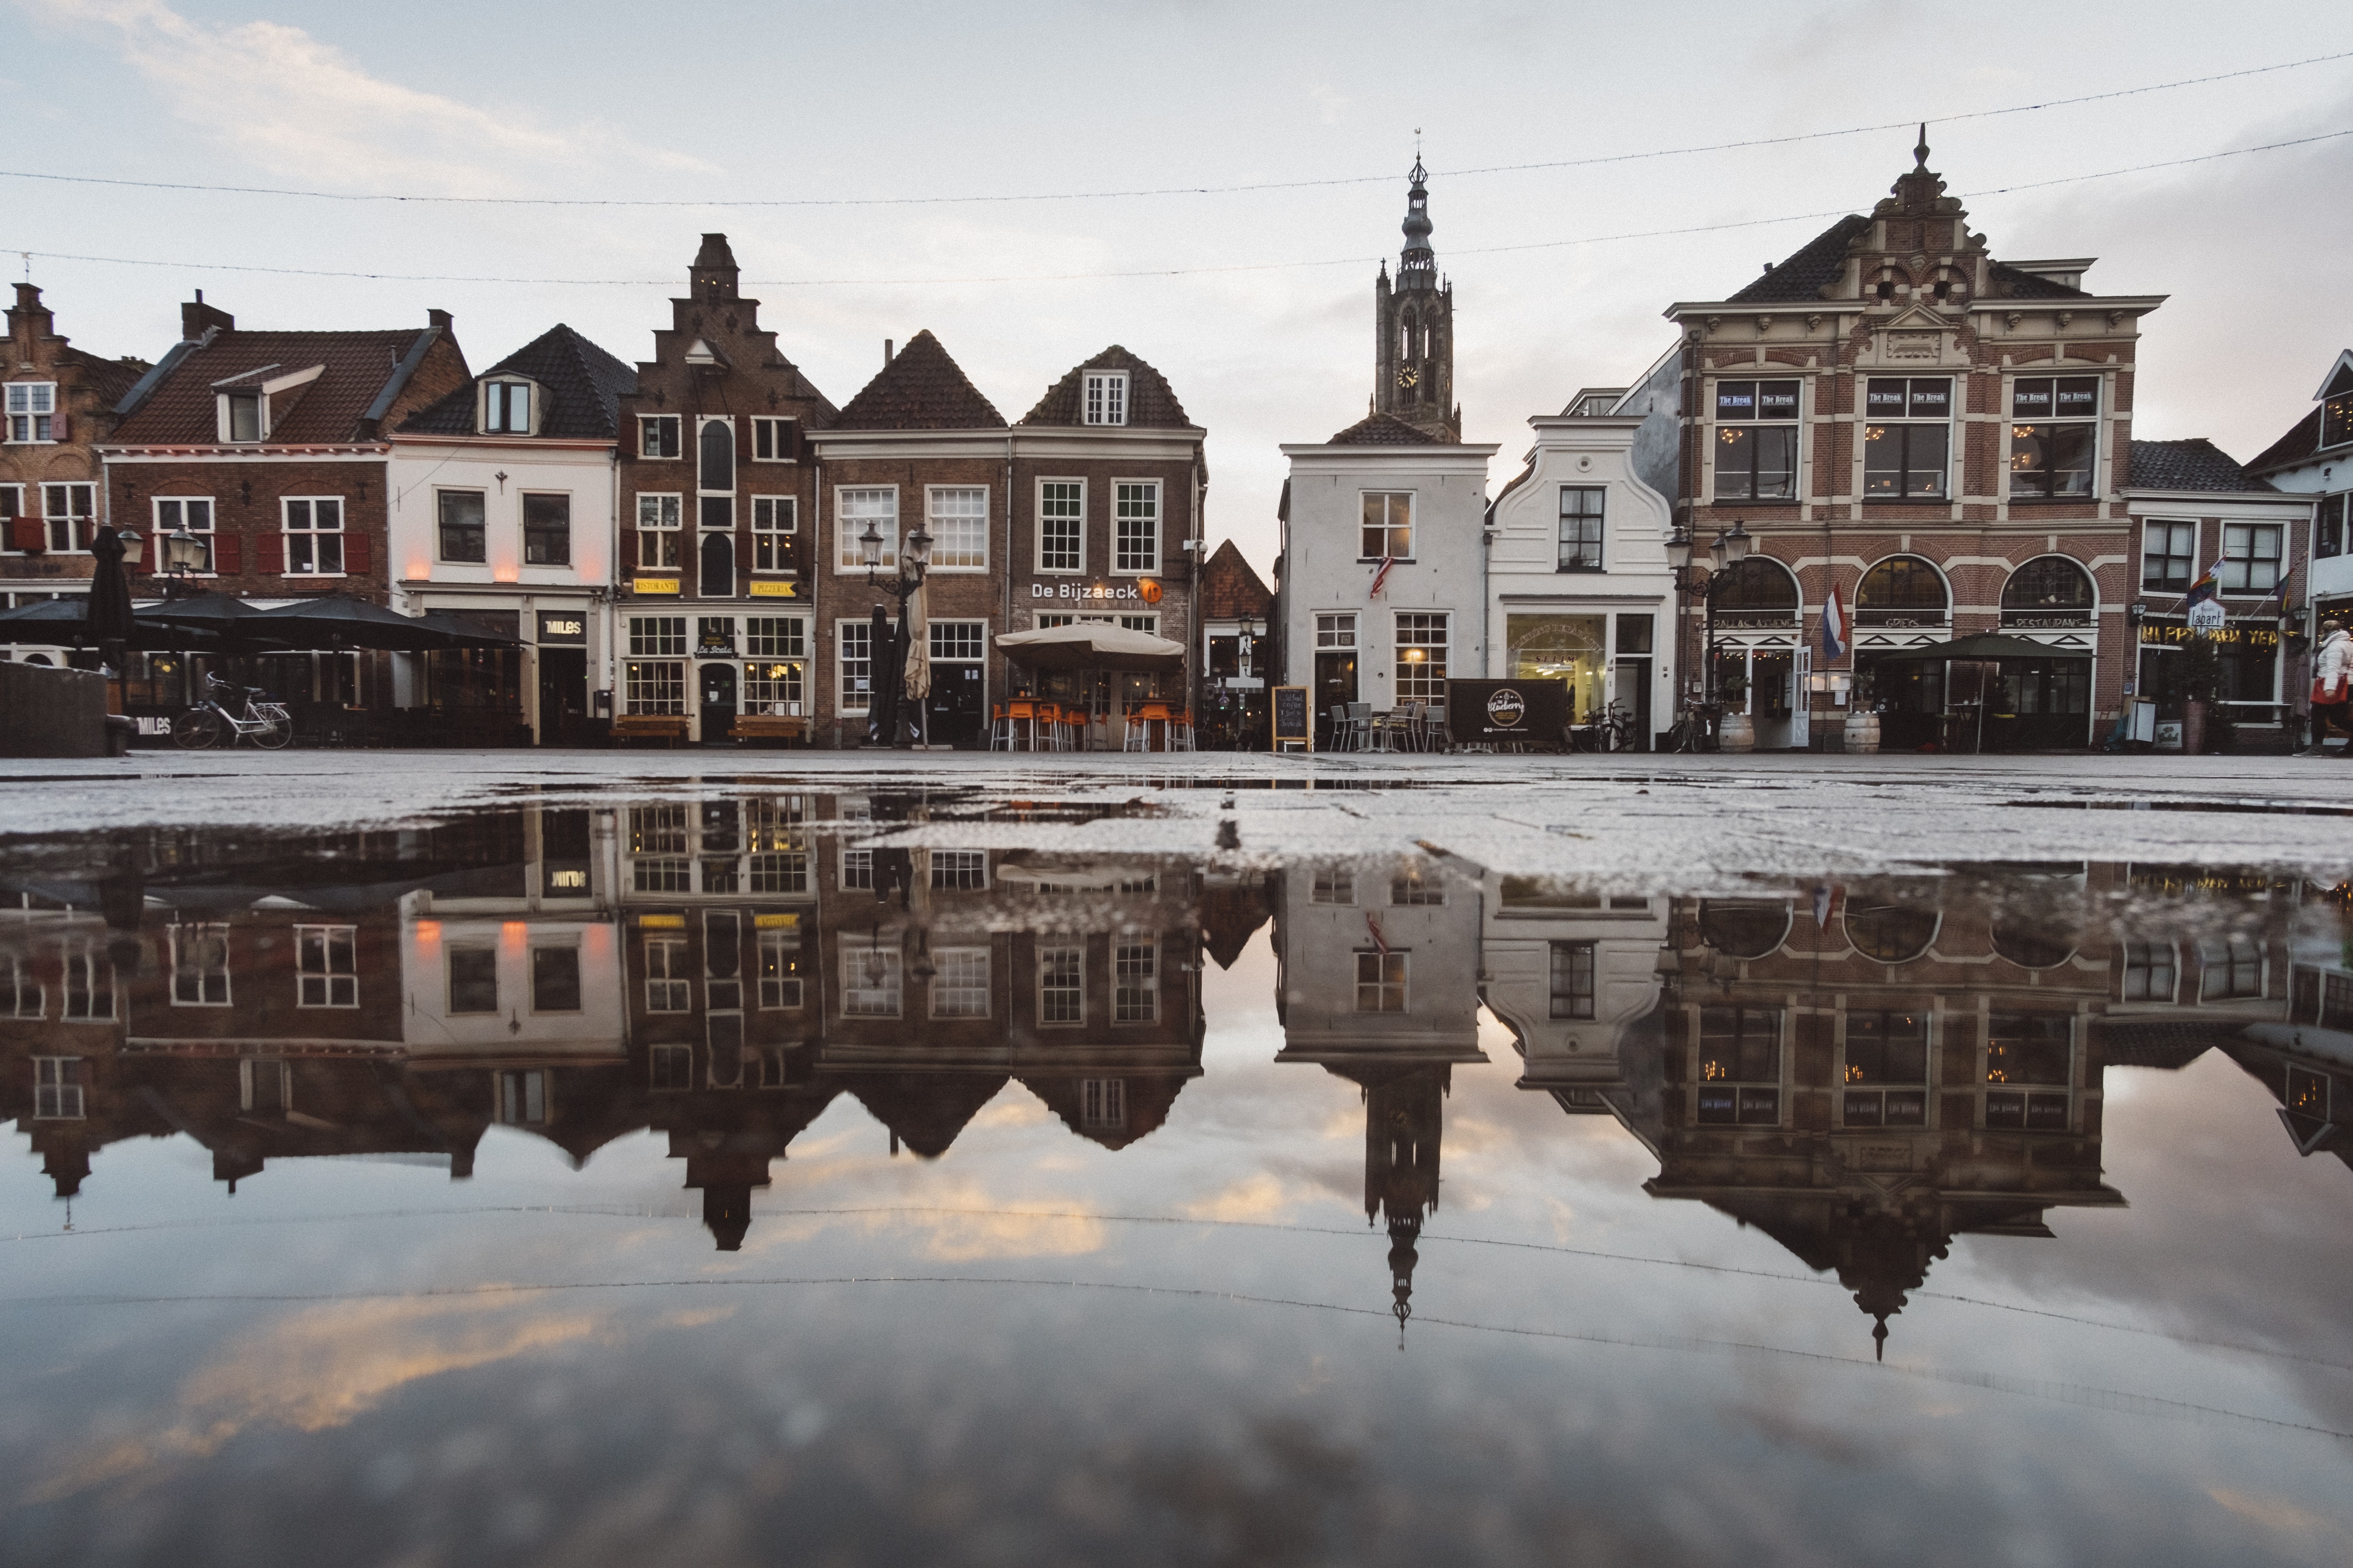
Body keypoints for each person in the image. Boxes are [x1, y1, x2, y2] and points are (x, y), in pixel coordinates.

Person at [2302, 619, 2353, 755]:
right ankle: (2350, 747)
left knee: (2318, 715)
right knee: (2338, 718)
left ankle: (2316, 748)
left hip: (2332, 683)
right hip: (2345, 683)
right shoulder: (2347, 643)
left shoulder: (2334, 646)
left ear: (2326, 631)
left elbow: (2333, 668)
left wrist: (2330, 688)